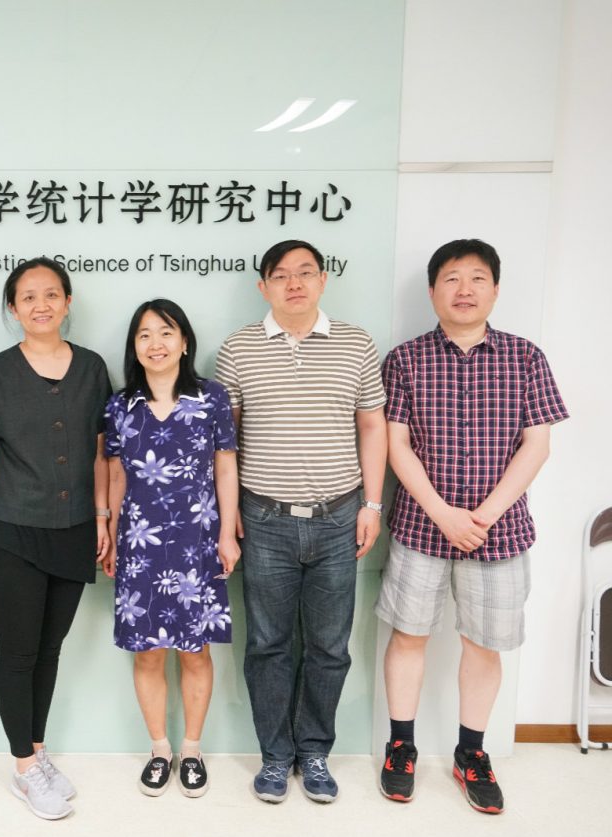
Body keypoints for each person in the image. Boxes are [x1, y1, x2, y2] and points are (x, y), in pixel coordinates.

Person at [376, 239, 568, 814]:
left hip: (499, 534)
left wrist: (483, 516)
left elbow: (537, 444)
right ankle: (401, 747)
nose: (464, 289)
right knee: (408, 636)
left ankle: (471, 753)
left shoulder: (526, 357)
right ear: (432, 290)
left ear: (495, 290)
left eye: (477, 278)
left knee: (484, 645)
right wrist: (442, 513)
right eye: (452, 278)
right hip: (420, 527)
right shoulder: (406, 359)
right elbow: (396, 444)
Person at [215, 239, 387, 804]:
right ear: (262, 286)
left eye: (305, 272)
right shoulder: (237, 349)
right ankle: (274, 756)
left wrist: (372, 505)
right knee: (268, 644)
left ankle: (314, 751)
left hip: (340, 517)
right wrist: (228, 517)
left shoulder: (356, 343)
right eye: (281, 275)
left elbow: (372, 426)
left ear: (323, 280)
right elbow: (225, 444)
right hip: (264, 519)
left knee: (330, 646)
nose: (294, 283)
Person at [0, 256, 111, 821]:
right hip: (12, 532)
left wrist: (102, 518)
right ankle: (23, 767)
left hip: (74, 530)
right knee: (19, 652)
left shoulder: (92, 367)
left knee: (50, 650)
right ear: (13, 308)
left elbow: (101, 455)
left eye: (51, 294)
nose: (40, 305)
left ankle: (38, 751)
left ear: (68, 302)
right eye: (28, 297)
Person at [103, 299, 239, 798]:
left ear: (184, 342)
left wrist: (227, 533)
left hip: (197, 543)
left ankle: (193, 750)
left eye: (165, 332)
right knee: (148, 654)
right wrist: (110, 531)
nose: (155, 343)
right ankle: (160, 749)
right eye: (144, 335)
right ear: (134, 347)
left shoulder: (211, 397)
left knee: (196, 652)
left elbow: (226, 465)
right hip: (140, 545)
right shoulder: (120, 405)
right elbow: (115, 473)